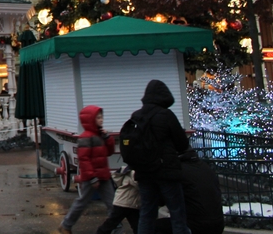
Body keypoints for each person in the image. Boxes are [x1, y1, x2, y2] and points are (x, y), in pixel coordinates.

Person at [132, 79, 191, 234]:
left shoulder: (137, 116)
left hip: (144, 172)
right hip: (167, 171)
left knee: (147, 212)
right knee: (177, 212)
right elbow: (182, 144)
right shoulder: (166, 115)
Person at [57, 105, 115, 234]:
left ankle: (117, 229)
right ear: (91, 120)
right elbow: (84, 159)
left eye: (101, 117)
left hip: (103, 175)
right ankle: (66, 225)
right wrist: (92, 177)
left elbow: (109, 152)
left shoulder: (100, 136)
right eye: (98, 118)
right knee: (83, 201)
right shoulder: (86, 138)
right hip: (92, 177)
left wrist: (108, 138)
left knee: (112, 204)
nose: (101, 120)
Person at [153, 150, 224, 234]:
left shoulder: (178, 171)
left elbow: (161, 200)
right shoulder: (205, 167)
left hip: (196, 225)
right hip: (218, 223)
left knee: (153, 227)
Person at [96, 166, 140, 234]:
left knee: (136, 226)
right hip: (125, 202)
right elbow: (139, 184)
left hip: (127, 202)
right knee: (111, 223)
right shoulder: (133, 172)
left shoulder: (127, 171)